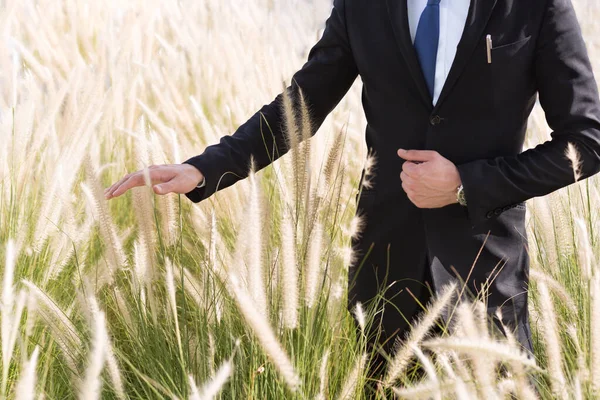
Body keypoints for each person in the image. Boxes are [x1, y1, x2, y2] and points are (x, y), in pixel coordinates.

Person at [104, 0, 600, 390]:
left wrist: (467, 185)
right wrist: (204, 168)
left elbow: (586, 141)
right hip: (383, 275)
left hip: (484, 277)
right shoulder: (362, 4)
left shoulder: (535, 4)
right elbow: (304, 103)